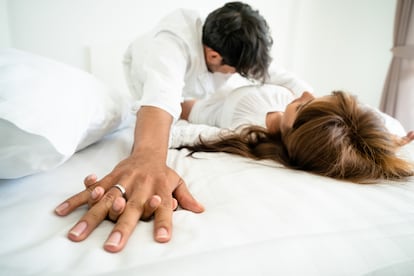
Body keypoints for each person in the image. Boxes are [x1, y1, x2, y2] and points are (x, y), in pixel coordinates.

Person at [54, 2, 313, 253]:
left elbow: (277, 75)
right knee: (166, 108)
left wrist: (316, 108)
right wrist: (146, 159)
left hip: (197, 95)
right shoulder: (171, 43)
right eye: (234, 71)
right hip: (146, 80)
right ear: (213, 55)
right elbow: (161, 96)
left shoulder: (232, 48)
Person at [178, 85, 414, 183]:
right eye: (315, 99)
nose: (305, 93)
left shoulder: (241, 125)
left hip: (212, 103)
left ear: (293, 135)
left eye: (302, 106)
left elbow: (185, 116)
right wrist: (385, 143)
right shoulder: (328, 125)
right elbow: (357, 130)